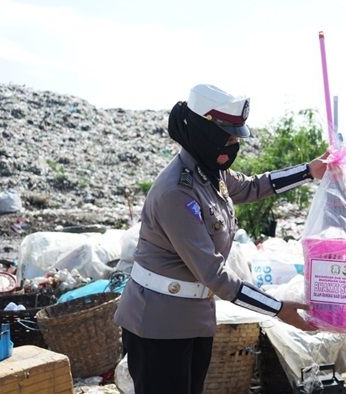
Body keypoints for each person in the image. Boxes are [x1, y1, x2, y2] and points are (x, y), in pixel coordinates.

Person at [114, 84, 328, 394]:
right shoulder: (177, 191)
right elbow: (215, 274)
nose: (233, 143)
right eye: (227, 135)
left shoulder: (209, 172)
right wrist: (278, 308)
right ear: (203, 131)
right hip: (157, 325)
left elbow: (254, 186)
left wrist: (308, 171)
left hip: (193, 319)